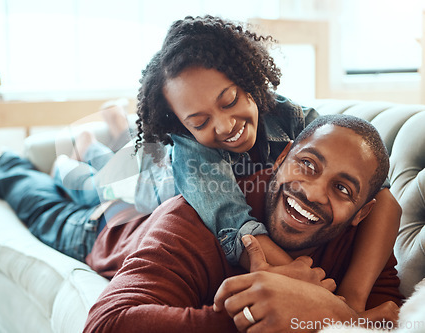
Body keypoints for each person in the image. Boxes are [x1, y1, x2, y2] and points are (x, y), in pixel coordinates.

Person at [0, 114, 402, 332]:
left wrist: (325, 316)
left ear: (362, 212)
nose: (313, 192)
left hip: (141, 201)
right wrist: (263, 316)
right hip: (104, 231)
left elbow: (382, 314)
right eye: (307, 165)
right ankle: (11, 165)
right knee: (40, 202)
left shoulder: (359, 242)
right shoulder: (198, 219)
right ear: (281, 158)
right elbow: (106, 325)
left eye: (343, 190)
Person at [132, 15, 401, 312]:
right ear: (184, 126)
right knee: (88, 205)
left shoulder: (291, 117)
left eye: (230, 100)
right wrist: (327, 306)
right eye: (200, 122)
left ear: (248, 81)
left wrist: (353, 299)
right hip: (137, 219)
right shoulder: (190, 152)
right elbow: (238, 229)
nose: (224, 126)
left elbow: (382, 197)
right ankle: (83, 157)